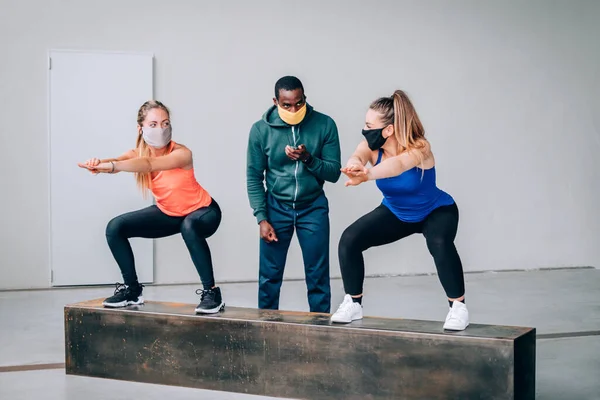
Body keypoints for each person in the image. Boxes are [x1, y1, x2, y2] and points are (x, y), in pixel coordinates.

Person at [331, 90, 469, 331]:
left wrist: (368, 175)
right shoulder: (372, 147)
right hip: (397, 212)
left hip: (436, 210)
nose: (365, 130)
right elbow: (358, 155)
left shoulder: (420, 147)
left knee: (438, 242)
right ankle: (353, 302)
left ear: (388, 130)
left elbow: (398, 165)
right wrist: (355, 165)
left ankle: (458, 307)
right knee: (349, 239)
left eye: (369, 125)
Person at [77, 100, 225, 314]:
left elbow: (149, 165)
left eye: (165, 123)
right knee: (115, 227)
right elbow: (119, 160)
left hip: (204, 213)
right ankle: (132, 290)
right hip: (170, 214)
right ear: (141, 128)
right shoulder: (138, 153)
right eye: (154, 124)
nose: (161, 129)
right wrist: (97, 164)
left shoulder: (182, 153)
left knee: (189, 226)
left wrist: (111, 167)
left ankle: (212, 293)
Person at [246, 76, 341, 313]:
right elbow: (253, 176)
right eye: (286, 104)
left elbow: (333, 173)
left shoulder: (325, 124)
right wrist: (262, 217)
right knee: (269, 276)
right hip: (276, 207)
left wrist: (308, 158)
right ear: (275, 101)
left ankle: (320, 330)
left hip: (313, 207)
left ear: (305, 99)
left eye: (299, 103)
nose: (293, 109)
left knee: (317, 274)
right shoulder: (260, 130)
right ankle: (266, 327)